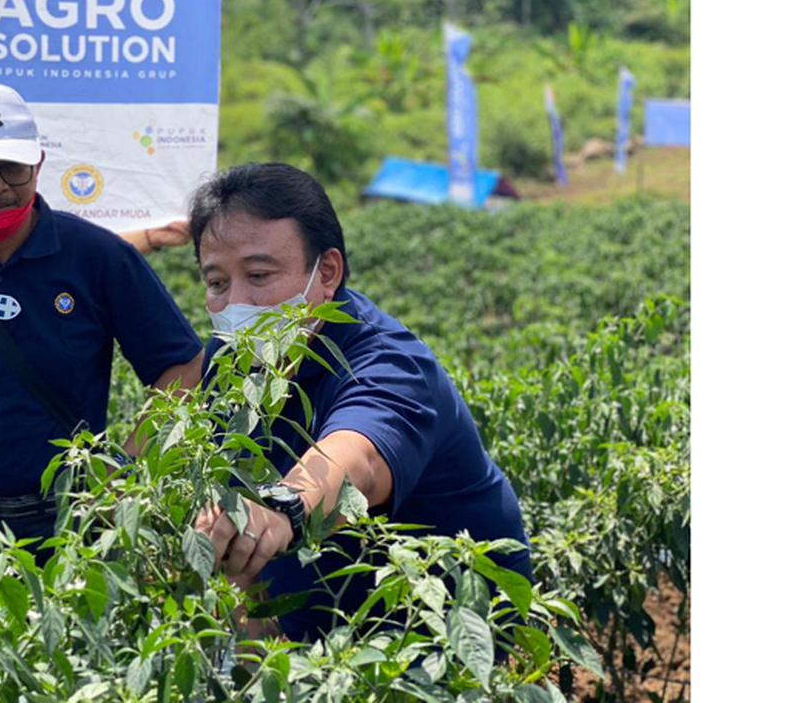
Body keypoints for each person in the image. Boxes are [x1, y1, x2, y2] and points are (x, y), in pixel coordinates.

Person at [189, 163, 532, 642]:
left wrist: (283, 505)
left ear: (326, 272)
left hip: (438, 634)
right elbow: (244, 559)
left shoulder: (389, 362)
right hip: (320, 631)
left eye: (259, 274)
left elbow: (359, 460)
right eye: (218, 283)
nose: (237, 304)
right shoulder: (228, 362)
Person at [0, 81, 204, 540]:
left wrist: (123, 466)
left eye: (14, 169)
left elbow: (182, 366)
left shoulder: (96, 255)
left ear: (39, 162)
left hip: (71, 521)